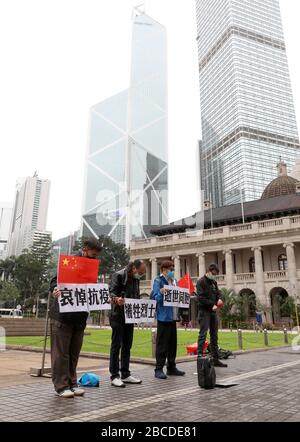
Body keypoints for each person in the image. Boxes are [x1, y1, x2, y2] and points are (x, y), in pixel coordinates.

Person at [49, 238, 102, 398]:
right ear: (85, 248)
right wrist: (55, 290)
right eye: (92, 254)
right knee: (61, 353)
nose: (94, 258)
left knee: (74, 352)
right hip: (63, 316)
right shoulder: (68, 261)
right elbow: (53, 281)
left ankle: (72, 382)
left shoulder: (91, 267)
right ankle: (61, 386)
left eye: (95, 256)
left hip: (80, 317)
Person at [109, 259, 146, 387]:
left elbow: (136, 296)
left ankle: (125, 373)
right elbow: (111, 292)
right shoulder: (118, 275)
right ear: (134, 268)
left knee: (127, 345)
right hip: (117, 315)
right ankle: (114, 375)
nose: (140, 275)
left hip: (130, 315)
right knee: (116, 345)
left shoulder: (136, 279)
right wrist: (116, 299)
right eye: (140, 272)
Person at [152, 260, 185, 379]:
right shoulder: (158, 281)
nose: (172, 271)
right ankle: (159, 368)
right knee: (162, 344)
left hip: (173, 316)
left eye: (173, 269)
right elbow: (155, 298)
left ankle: (171, 367)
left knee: (172, 343)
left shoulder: (174, 281)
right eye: (170, 269)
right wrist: (161, 293)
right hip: (163, 316)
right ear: (164, 270)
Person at [196, 263, 227, 368]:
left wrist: (219, 299)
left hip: (213, 312)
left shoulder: (213, 282)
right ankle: (200, 357)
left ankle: (215, 359)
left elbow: (218, 293)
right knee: (203, 334)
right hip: (204, 311)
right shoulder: (201, 282)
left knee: (214, 335)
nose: (214, 275)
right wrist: (211, 304)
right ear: (209, 271)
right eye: (213, 273)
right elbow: (200, 297)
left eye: (216, 274)